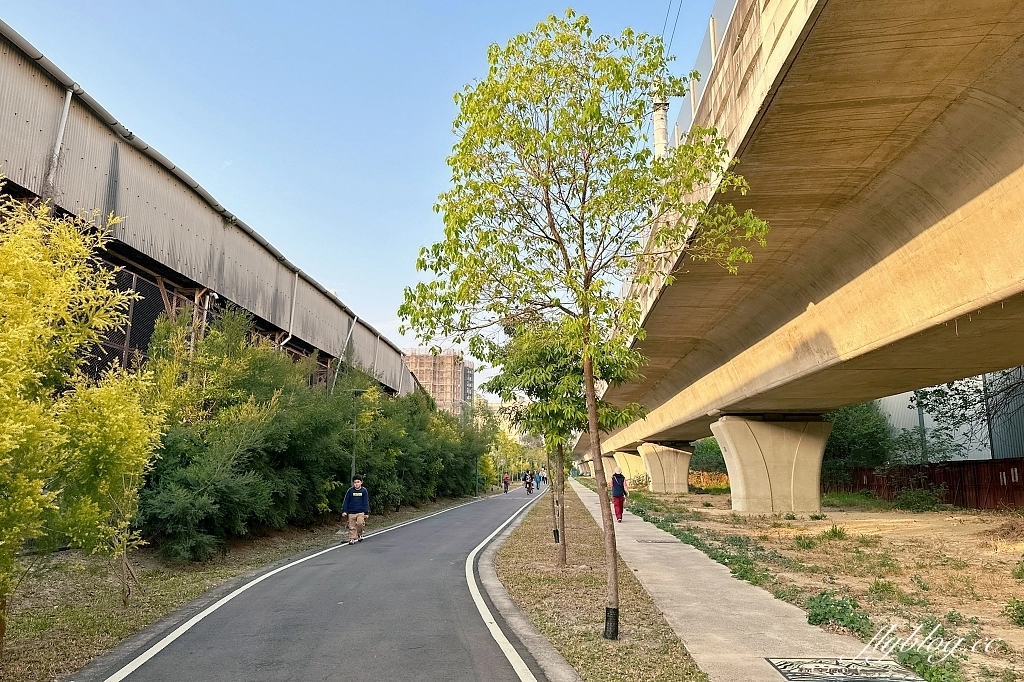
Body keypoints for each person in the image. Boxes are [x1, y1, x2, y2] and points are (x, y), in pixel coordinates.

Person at [342, 475, 370, 544]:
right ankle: (352, 538)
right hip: (351, 512)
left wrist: (366, 512)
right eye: (355, 482)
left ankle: (360, 534)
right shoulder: (350, 491)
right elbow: (346, 501)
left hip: (360, 512)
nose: (356, 484)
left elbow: (365, 502)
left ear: (361, 482)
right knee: (352, 526)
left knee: (360, 524)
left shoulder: (364, 491)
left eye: (358, 482)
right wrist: (344, 510)